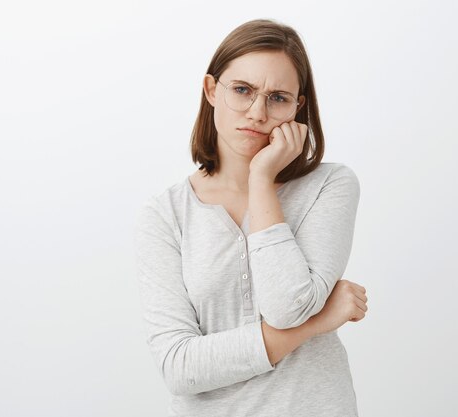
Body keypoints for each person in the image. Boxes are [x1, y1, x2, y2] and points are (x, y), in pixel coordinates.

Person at [134, 18, 368, 417]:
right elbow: (179, 367)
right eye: (242, 90)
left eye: (278, 97)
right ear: (211, 90)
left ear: (299, 107)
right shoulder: (166, 215)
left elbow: (287, 306)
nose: (258, 112)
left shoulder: (330, 186)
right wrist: (318, 323)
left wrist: (261, 178)